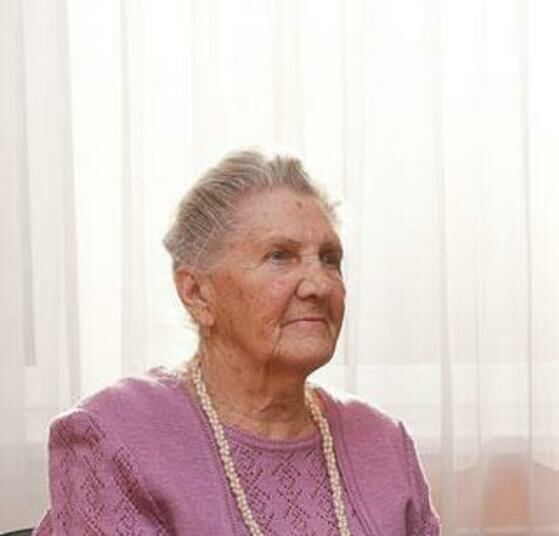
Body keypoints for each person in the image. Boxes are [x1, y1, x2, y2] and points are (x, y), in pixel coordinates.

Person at [35, 149, 439, 535]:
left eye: (329, 258)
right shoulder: (113, 435)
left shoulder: (386, 442)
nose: (319, 284)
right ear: (196, 293)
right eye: (280, 255)